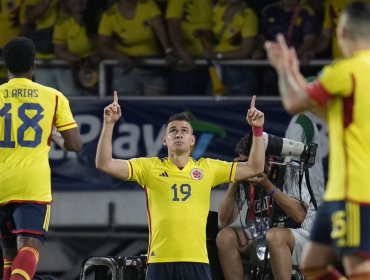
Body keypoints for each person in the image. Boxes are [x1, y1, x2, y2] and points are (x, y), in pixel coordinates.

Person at [95, 93, 265, 280]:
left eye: (184, 130)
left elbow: (254, 167)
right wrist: (109, 124)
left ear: (192, 140)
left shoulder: (208, 168)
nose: (178, 134)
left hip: (197, 260)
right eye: (173, 131)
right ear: (164, 140)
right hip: (159, 260)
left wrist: (257, 130)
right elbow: (104, 164)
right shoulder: (148, 167)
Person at [264, 1, 370, 279]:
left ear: (342, 33)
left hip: (354, 190)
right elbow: (317, 106)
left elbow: (293, 102)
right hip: (339, 192)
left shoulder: (343, 70)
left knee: (357, 268)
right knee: (312, 266)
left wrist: (284, 68)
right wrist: (295, 70)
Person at [0, 37, 82, 280]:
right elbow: (75, 145)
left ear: (5, 67)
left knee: (8, 252)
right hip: (31, 184)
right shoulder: (53, 97)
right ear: (33, 66)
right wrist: (57, 136)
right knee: (29, 247)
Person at [217, 111, 325, 280]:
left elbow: (299, 215)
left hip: (301, 236)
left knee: (274, 235)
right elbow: (224, 220)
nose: (250, 168)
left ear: (267, 158)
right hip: (262, 237)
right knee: (225, 237)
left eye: (253, 163)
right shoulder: (245, 177)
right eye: (247, 163)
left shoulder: (289, 170)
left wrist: (268, 186)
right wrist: (235, 179)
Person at [97, 0, 173, 96]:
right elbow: (102, 45)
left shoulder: (148, 5)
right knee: (126, 107)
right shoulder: (109, 15)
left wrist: (168, 50)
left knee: (155, 107)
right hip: (125, 69)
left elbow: (160, 29)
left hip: (152, 66)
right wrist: (118, 56)